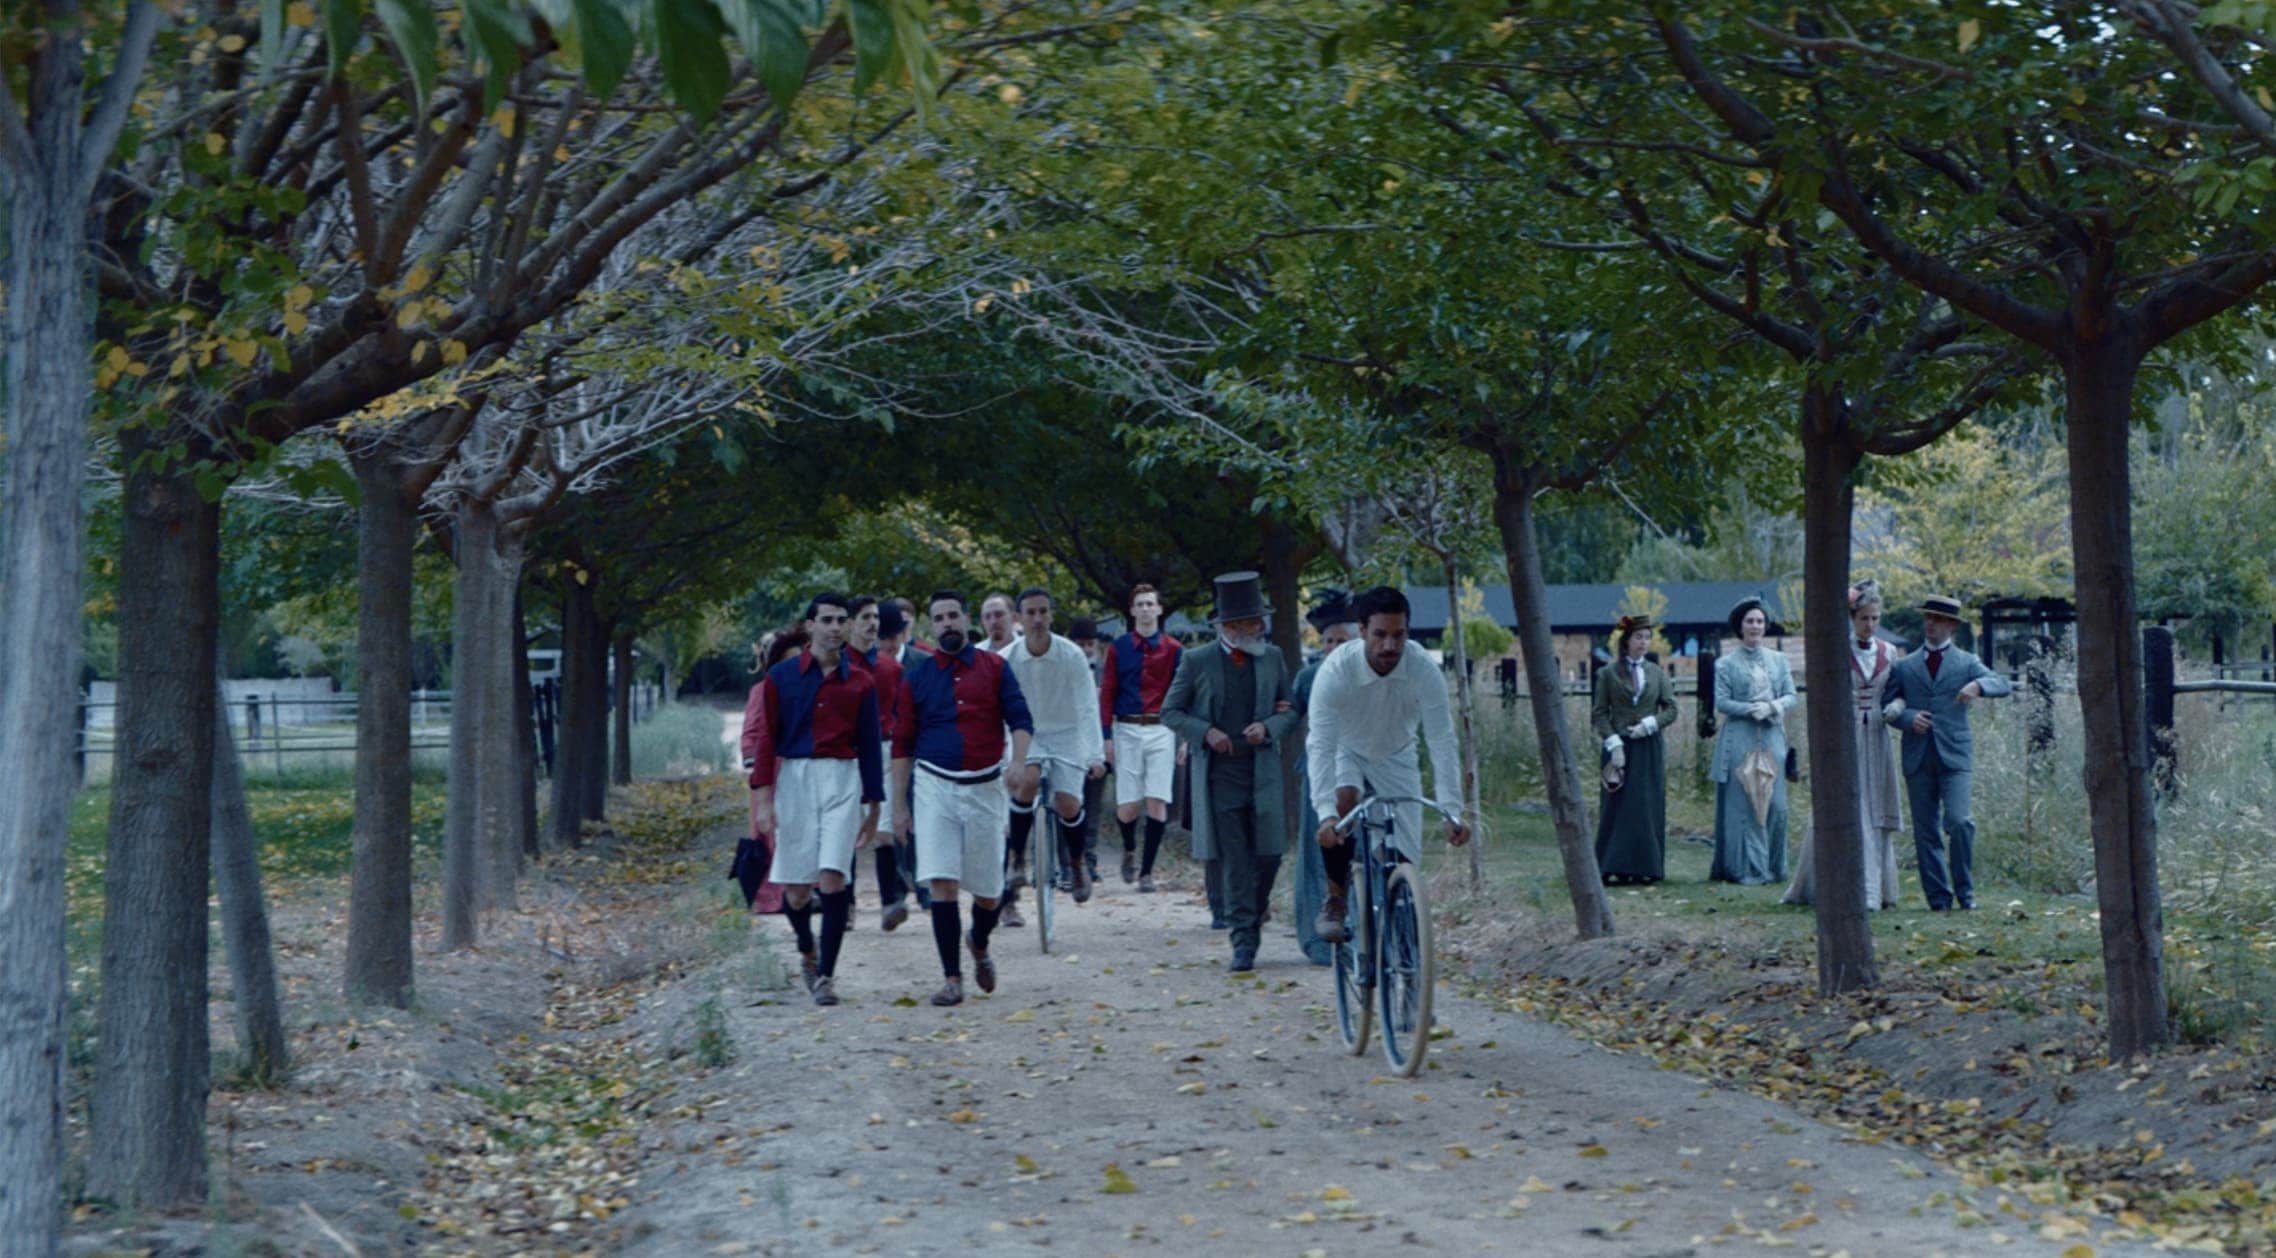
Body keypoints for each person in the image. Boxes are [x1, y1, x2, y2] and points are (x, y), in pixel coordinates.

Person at [890, 590, 1036, 1006]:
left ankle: (980, 940)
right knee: (942, 881)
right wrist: (899, 806)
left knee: (990, 891)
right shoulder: (917, 677)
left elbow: (1021, 719)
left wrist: (1019, 762)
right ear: (930, 626)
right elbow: (901, 744)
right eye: (939, 618)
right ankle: (952, 978)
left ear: (967, 619)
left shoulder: (995, 668)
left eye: (954, 615)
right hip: (934, 785)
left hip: (987, 785)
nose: (947, 623)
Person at [1304, 586, 1471, 943]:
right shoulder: (1335, 671)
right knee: (1345, 798)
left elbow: (1441, 740)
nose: (1389, 647)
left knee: (1404, 860)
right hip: (1345, 749)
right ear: (1361, 630)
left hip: (1397, 754)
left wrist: (1451, 810)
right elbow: (1320, 744)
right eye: (1380, 635)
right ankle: (1336, 898)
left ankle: (1404, 934)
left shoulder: (1423, 668)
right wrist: (1326, 813)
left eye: (1399, 635)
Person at [748, 595, 885, 1007]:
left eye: (841, 620)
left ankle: (826, 975)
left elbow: (869, 745)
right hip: (796, 777)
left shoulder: (861, 682)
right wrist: (763, 799)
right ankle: (807, 949)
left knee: (833, 876)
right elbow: (768, 738)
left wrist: (874, 805)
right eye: (827, 620)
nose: (835, 628)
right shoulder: (783, 678)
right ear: (810, 626)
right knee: (796, 891)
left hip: (842, 775)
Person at [1162, 572, 1300, 972]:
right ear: (1226, 626)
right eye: (1245, 623)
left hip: (1264, 771)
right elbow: (1171, 711)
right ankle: (1244, 942)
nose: (1253, 630)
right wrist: (1206, 732)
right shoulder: (1197, 660)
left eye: (1257, 622)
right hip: (1220, 775)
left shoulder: (1272, 658)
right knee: (1236, 859)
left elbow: (1289, 710)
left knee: (1270, 854)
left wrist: (1269, 728)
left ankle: (1253, 914)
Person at [1883, 593, 2012, 911]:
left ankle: (1965, 894)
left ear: (1952, 625)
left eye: (1938, 619)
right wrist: (1909, 718)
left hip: (1955, 756)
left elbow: (2002, 683)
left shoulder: (1966, 662)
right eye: (1927, 617)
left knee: (1958, 821)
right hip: (1918, 755)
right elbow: (1887, 706)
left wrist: (1979, 687)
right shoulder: (1904, 665)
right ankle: (1939, 900)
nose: (1930, 624)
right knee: (1926, 830)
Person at [1781, 581, 1905, 910]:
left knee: (1874, 807)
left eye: (1875, 618)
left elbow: (1897, 690)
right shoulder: (1837, 650)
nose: (1870, 625)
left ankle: (1880, 887)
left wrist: (1897, 707)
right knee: (1849, 804)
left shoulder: (1889, 652)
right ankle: (1853, 889)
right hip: (1845, 735)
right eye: (1864, 618)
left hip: (1877, 735)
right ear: (1852, 618)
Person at [998, 587, 1105, 907]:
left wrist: (1094, 754)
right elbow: (995, 707)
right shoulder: (1006, 659)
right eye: (1030, 613)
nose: (1037, 619)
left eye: (1043, 612)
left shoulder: (1071, 654)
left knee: (1068, 802)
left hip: (1066, 733)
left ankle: (1076, 863)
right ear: (1019, 618)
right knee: (1026, 782)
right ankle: (1017, 857)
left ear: (1051, 615)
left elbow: (1087, 706)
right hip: (1025, 732)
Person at [1100, 583, 1184, 891]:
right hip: (1127, 728)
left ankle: (1147, 872)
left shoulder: (1174, 649)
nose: (1146, 609)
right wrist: (1106, 735)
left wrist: (1185, 735)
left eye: (1151, 603)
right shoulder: (1119, 648)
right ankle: (1129, 849)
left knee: (1157, 799)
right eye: (1141, 604)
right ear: (1133, 610)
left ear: (1159, 610)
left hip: (1161, 727)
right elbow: (1108, 691)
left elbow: (1183, 692)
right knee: (1128, 804)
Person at [1288, 591, 1355, 966]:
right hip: (1319, 774)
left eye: (1341, 640)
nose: (1333, 647)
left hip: (1363, 773)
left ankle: (1363, 930)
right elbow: (1289, 713)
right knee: (1318, 853)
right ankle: (1316, 941)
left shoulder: (1366, 675)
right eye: (1328, 641)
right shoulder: (1309, 677)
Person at [1710, 596, 1796, 886]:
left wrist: (1772, 707)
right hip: (1740, 737)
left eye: (1760, 621)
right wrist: (1750, 708)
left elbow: (1791, 695)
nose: (1755, 626)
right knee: (1745, 803)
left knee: (1777, 805)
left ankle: (1774, 866)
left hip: (1772, 735)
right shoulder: (1725, 664)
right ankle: (1745, 869)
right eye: (1750, 621)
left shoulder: (1779, 660)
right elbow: (1721, 702)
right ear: (1740, 626)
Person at [1592, 614, 1678, 885]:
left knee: (1645, 805)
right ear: (1626, 641)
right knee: (1617, 805)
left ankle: (1646, 868)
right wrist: (1614, 743)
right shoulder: (1607, 674)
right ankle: (1610, 865)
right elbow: (1599, 713)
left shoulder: (1656, 673)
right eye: (1638, 637)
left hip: (1648, 746)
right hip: (1618, 746)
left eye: (1646, 637)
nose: (1643, 642)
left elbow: (1672, 708)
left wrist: (1651, 724)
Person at [847, 596, 914, 930]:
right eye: (864, 617)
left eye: (875, 617)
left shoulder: (891, 669)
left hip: (885, 750)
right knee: (845, 829)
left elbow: (904, 714)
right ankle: (845, 904)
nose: (872, 623)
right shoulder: (836, 665)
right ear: (850, 623)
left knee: (884, 830)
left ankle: (890, 901)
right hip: (846, 754)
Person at [734, 630, 808, 920]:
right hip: (768, 771)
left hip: (796, 768)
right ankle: (768, 897)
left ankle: (800, 892)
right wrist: (754, 765)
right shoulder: (762, 690)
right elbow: (751, 732)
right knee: (765, 835)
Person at [1064, 616, 1109, 889]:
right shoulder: (1062, 667)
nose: (1085, 649)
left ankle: (1089, 859)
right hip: (1068, 742)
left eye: (1089, 643)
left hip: (1097, 742)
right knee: (1067, 804)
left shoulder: (1105, 670)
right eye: (1079, 644)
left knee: (1093, 804)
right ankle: (1065, 863)